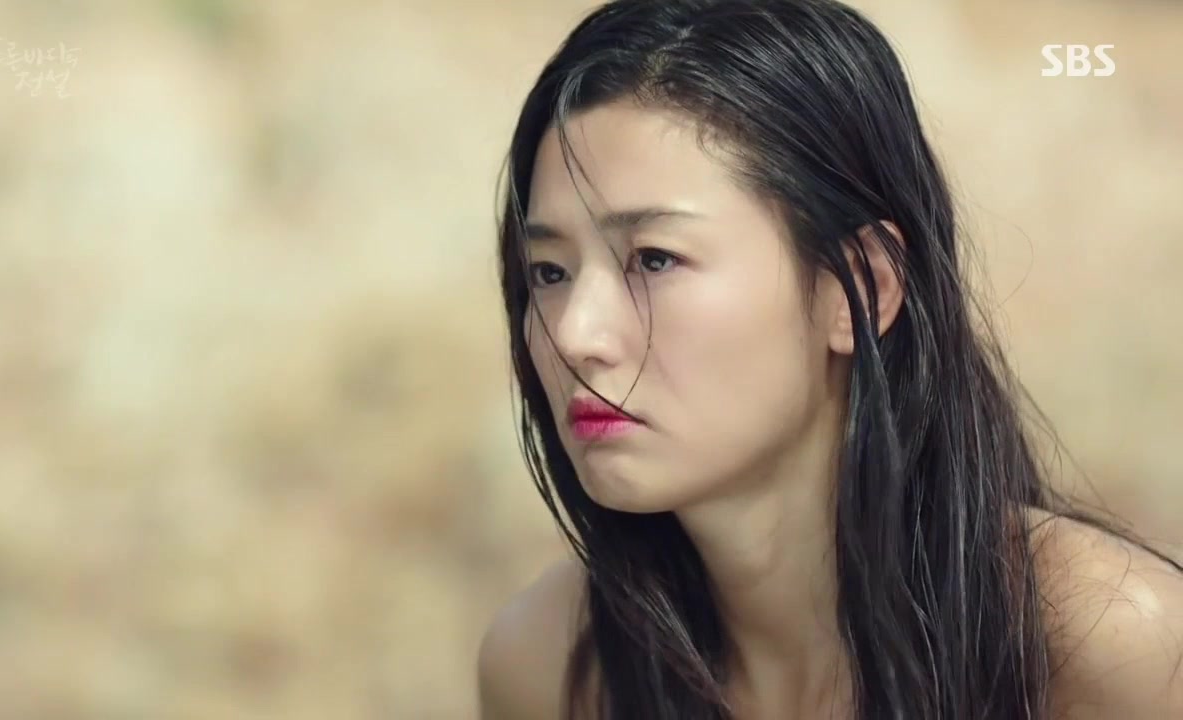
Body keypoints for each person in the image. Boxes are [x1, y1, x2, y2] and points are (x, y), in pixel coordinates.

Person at [476, 0, 1183, 718]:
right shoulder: (549, 664)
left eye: (654, 259)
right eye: (549, 272)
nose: (574, 335)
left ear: (862, 286)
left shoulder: (1110, 648)